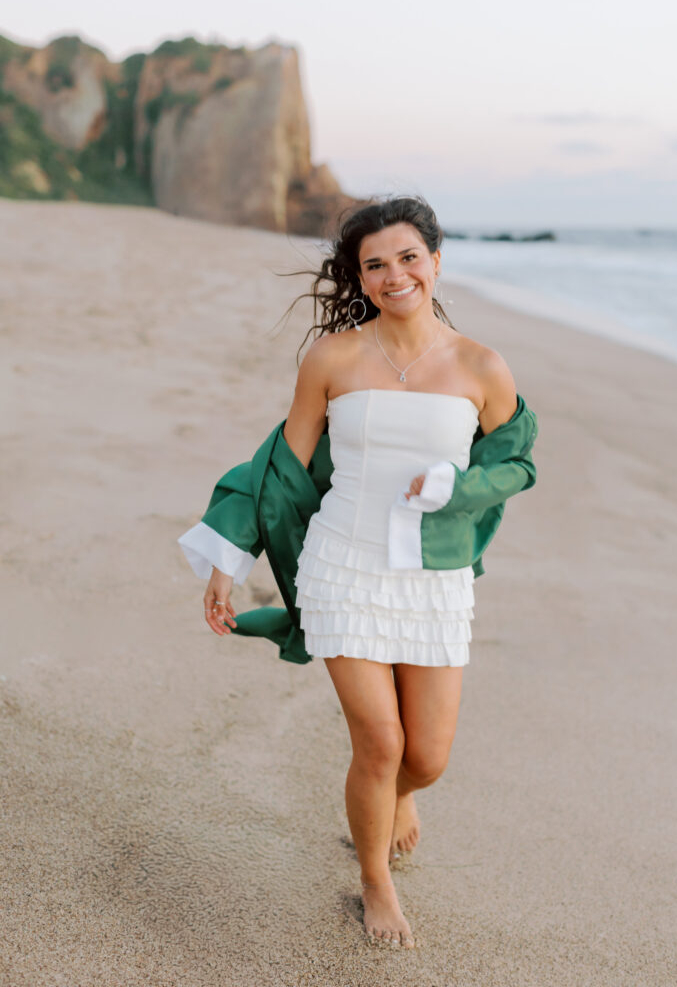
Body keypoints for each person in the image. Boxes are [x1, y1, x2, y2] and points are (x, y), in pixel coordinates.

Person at [178, 196, 537, 949]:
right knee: (379, 742)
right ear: (360, 277)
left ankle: (400, 799)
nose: (392, 274)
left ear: (436, 261)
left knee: (426, 760)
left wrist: (454, 490)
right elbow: (280, 464)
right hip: (342, 563)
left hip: (432, 577)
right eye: (374, 264)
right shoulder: (333, 358)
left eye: (408, 257)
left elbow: (512, 462)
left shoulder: (480, 365)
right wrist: (226, 558)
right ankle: (373, 883)